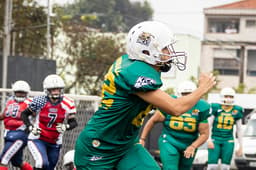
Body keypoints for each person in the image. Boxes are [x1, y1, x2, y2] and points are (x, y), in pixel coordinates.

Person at [74, 20, 216, 170]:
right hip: (99, 147)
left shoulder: (134, 64)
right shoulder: (135, 73)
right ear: (147, 51)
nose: (170, 52)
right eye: (165, 47)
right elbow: (176, 108)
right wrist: (201, 89)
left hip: (126, 146)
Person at [140, 81, 210, 170]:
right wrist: (142, 139)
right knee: (170, 168)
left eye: (190, 94)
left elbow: (204, 134)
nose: (187, 97)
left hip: (189, 143)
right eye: (184, 94)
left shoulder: (202, 107)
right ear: (178, 94)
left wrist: (193, 146)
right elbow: (152, 121)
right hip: (170, 141)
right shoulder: (170, 104)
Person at [21, 74, 78, 170]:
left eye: (58, 89)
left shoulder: (68, 103)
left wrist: (66, 126)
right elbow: (24, 114)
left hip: (55, 141)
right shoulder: (40, 101)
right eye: (53, 89)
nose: (56, 91)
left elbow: (74, 122)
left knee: (50, 167)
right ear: (47, 90)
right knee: (42, 163)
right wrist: (30, 127)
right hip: (38, 138)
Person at [207, 87, 243, 170]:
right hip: (215, 139)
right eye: (226, 96)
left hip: (228, 140)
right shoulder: (215, 107)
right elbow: (208, 125)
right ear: (222, 96)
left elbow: (239, 130)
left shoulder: (237, 110)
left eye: (231, 96)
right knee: (212, 166)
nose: (228, 99)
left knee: (225, 167)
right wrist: (208, 140)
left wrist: (241, 146)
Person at [0, 80, 33, 170]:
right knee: (17, 162)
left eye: (22, 93)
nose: (20, 94)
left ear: (27, 93)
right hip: (8, 133)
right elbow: (3, 115)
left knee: (3, 160)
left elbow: (37, 116)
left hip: (20, 134)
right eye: (18, 92)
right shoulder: (10, 101)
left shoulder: (30, 103)